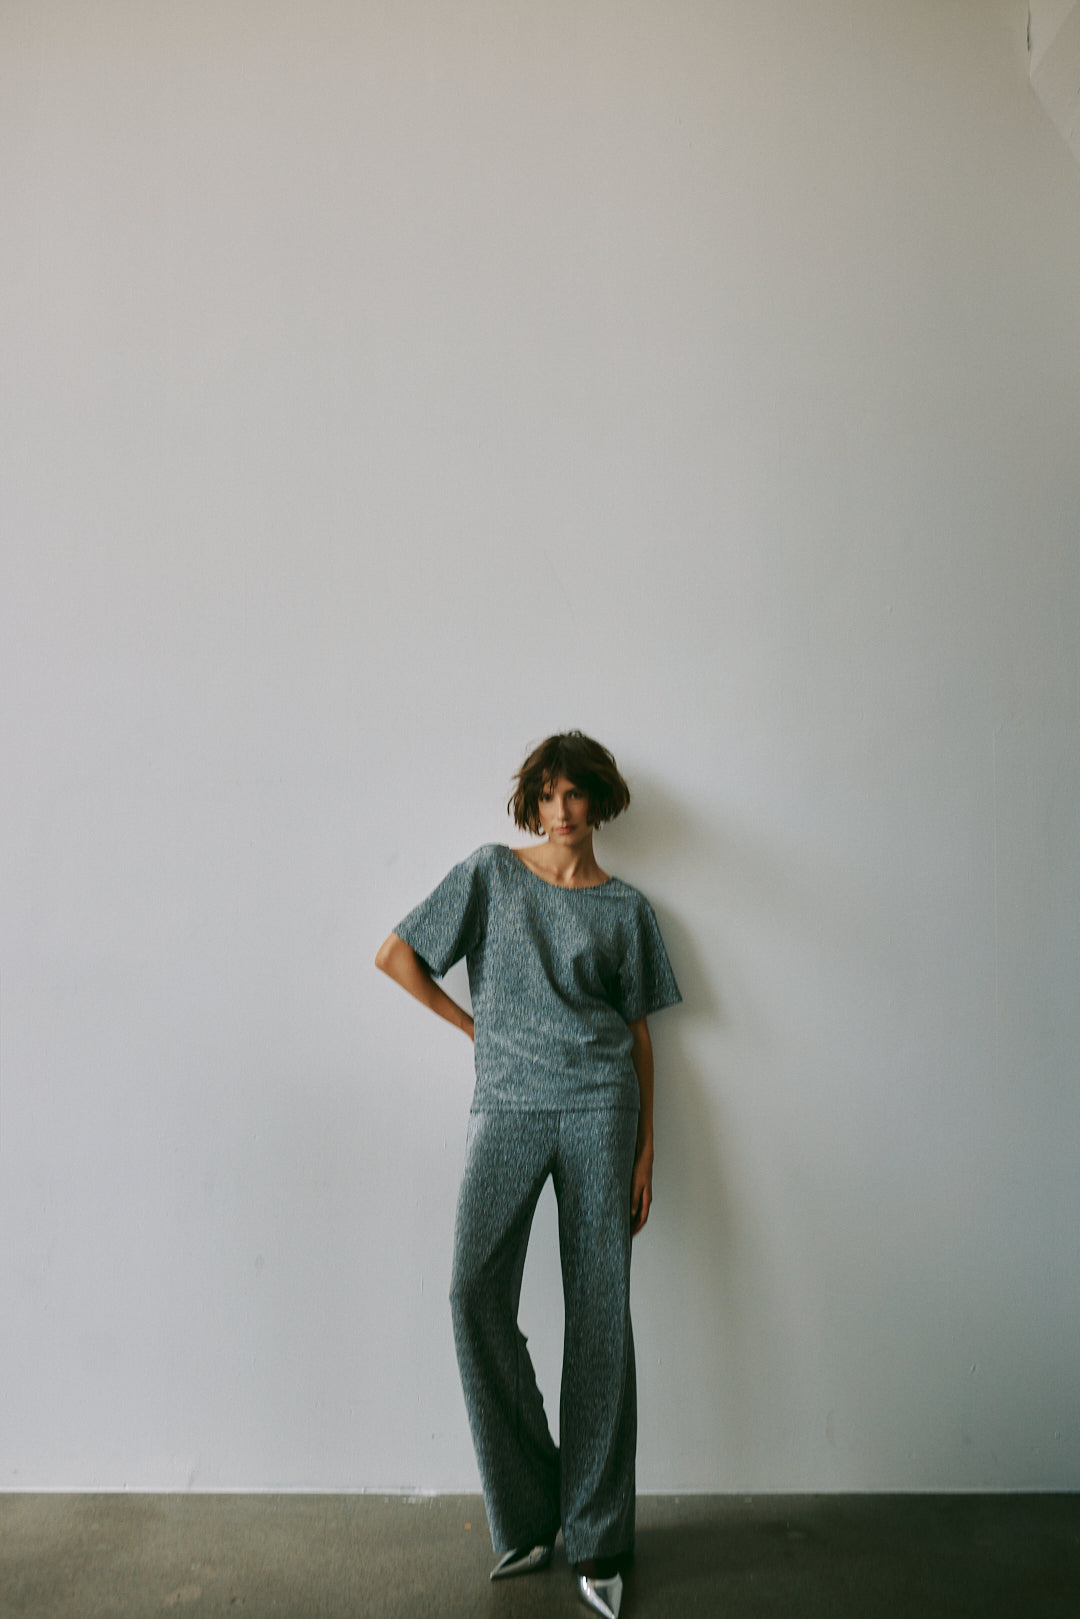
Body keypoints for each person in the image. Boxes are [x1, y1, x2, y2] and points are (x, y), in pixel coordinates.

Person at [375, 731, 681, 1619]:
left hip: (600, 1108)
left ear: (598, 800)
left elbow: (639, 1033)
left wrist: (647, 1147)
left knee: (600, 1315)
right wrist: (479, 1033)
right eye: (547, 794)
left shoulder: (627, 909)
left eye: (575, 793)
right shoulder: (490, 874)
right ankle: (533, 1508)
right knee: (473, 1291)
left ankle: (600, 1537)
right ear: (531, 802)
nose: (561, 810)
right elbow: (396, 954)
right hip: (508, 1104)